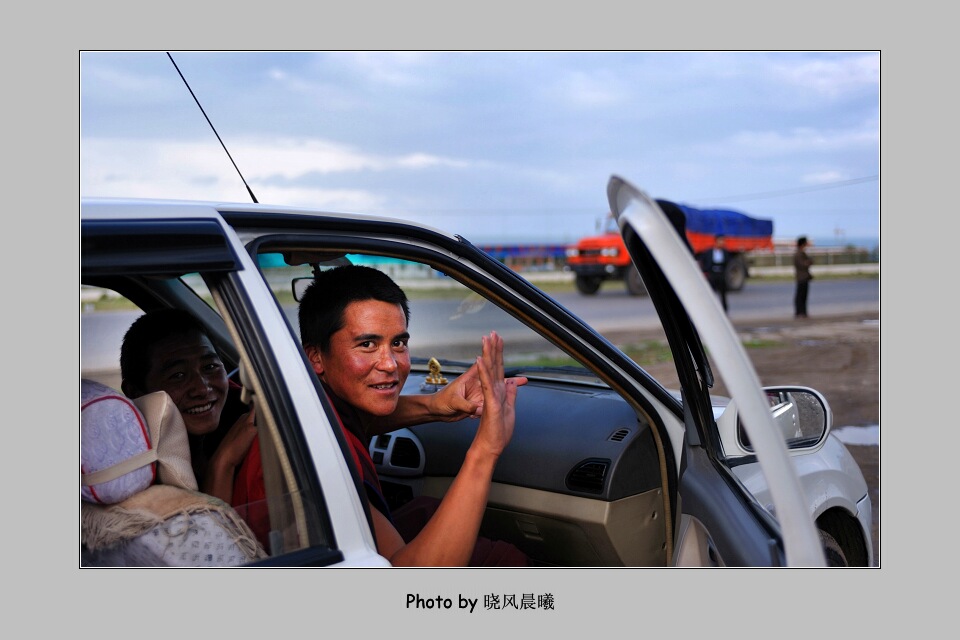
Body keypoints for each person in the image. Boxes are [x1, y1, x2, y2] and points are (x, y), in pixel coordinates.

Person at [298, 264, 527, 566]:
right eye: (367, 344)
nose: (391, 364)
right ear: (316, 357)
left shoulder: (309, 407)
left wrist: (436, 406)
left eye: (398, 343)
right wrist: (486, 449)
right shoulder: (314, 451)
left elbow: (355, 419)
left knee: (426, 510)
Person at [698, 234, 730, 312]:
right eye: (720, 240)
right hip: (712, 274)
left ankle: (724, 310)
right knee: (712, 293)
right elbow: (703, 261)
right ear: (716, 241)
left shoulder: (725, 252)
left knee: (723, 293)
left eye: (723, 241)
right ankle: (712, 309)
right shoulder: (709, 252)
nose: (722, 243)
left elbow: (727, 263)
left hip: (721, 274)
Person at [794, 235, 813, 318]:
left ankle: (802, 312)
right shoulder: (799, 254)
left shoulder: (800, 253)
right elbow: (803, 264)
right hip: (802, 277)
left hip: (802, 277)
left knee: (802, 296)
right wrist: (808, 262)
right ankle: (800, 312)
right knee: (801, 296)